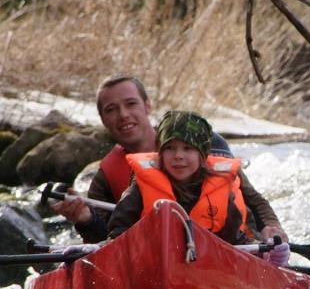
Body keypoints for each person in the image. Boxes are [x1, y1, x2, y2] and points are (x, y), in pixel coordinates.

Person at [51, 75, 287, 243]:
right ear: (102, 119)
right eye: (111, 109)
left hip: (234, 248)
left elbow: (252, 200)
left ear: (147, 106)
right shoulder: (107, 177)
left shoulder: (206, 143)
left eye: (130, 104)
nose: (123, 115)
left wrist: (272, 231)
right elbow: (109, 241)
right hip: (155, 259)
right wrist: (85, 220)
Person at [107, 110, 289, 265]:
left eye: (187, 148)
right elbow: (118, 234)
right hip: (151, 265)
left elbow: (237, 240)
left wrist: (265, 254)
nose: (178, 155)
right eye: (170, 148)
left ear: (203, 156)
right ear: (159, 154)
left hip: (208, 269)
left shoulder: (221, 190)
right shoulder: (140, 187)